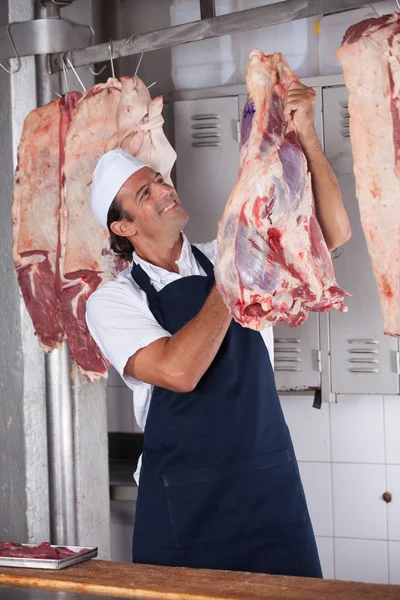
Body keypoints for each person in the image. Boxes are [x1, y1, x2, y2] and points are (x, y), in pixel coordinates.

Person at [86, 82, 351, 577]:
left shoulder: (223, 254)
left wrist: (307, 137)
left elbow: (332, 233)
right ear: (123, 227)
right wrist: (237, 270)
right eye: (146, 193)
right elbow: (179, 370)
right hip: (187, 504)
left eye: (161, 180)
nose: (166, 189)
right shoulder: (114, 300)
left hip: (269, 487)